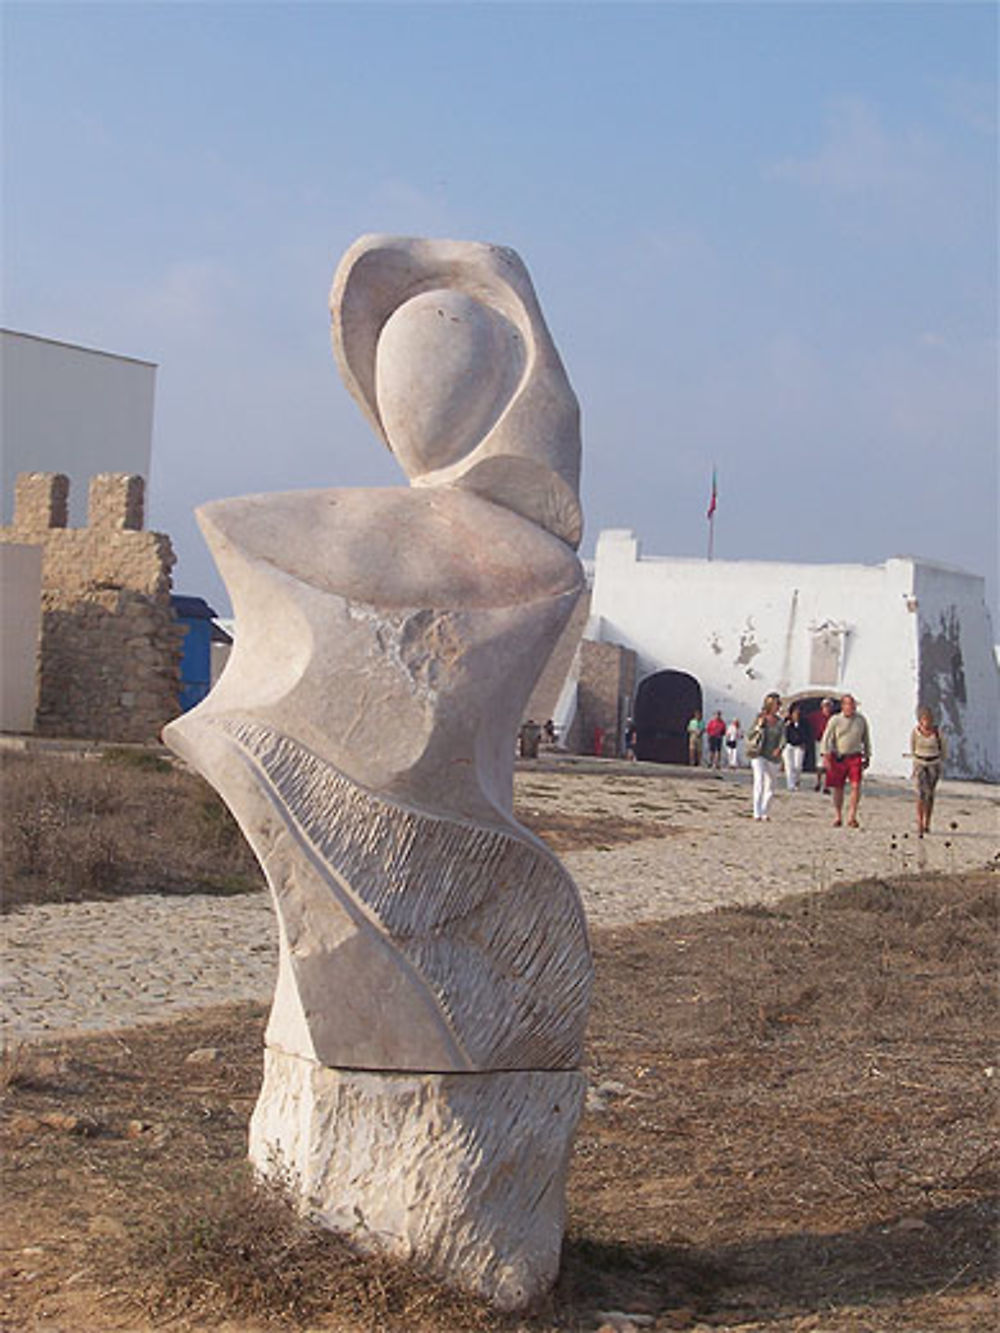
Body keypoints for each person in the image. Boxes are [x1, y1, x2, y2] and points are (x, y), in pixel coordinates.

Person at [821, 693, 872, 828]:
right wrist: (825, 755)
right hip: (839, 756)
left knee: (856, 786)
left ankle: (852, 816)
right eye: (848, 704)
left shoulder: (861, 720)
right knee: (838, 788)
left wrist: (868, 755)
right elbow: (827, 738)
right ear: (843, 706)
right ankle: (838, 815)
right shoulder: (835, 720)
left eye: (853, 704)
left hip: (855, 756)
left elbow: (866, 738)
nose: (851, 707)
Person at [746, 692, 784, 821]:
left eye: (779, 704)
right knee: (759, 781)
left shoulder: (780, 722)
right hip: (759, 753)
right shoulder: (759, 718)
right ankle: (756, 812)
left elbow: (783, 738)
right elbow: (750, 734)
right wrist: (759, 726)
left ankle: (765, 811)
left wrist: (779, 748)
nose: (778, 707)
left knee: (771, 785)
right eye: (776, 704)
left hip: (773, 756)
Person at [911, 706, 946, 836]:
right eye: (924, 720)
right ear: (920, 720)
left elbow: (944, 749)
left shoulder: (937, 733)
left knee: (930, 794)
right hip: (920, 763)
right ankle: (920, 822)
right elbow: (913, 747)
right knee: (920, 793)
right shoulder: (915, 732)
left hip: (933, 763)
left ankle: (927, 822)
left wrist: (939, 761)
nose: (926, 722)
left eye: (928, 720)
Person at [810, 698, 836, 791]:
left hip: (830, 742)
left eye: (829, 706)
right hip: (819, 741)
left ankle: (826, 785)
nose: (827, 708)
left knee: (829, 764)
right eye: (825, 706)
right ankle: (818, 782)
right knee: (819, 764)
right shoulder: (816, 716)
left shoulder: (834, 718)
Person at [782, 703, 808, 791]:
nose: (797, 714)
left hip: (799, 746)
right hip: (788, 745)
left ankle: (796, 781)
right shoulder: (786, 722)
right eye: (795, 712)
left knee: (798, 766)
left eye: (798, 712)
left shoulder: (804, 723)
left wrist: (804, 743)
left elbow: (806, 734)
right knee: (789, 765)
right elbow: (783, 733)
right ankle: (790, 784)